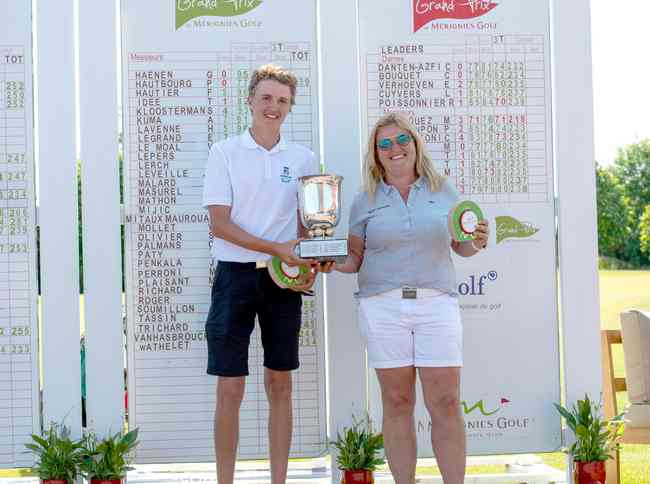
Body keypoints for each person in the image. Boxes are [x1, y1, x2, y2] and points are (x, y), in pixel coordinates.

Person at [327, 113, 489, 484]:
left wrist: (476, 240)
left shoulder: (444, 190)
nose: (394, 149)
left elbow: (462, 247)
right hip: (381, 306)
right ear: (375, 155)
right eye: (384, 144)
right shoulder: (363, 200)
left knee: (445, 402)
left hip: (436, 304)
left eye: (402, 140)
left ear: (415, 144)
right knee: (397, 403)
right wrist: (324, 259)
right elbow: (353, 259)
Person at [201, 64, 320, 484]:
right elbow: (220, 224)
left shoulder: (304, 158)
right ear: (250, 100)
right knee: (230, 389)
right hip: (234, 278)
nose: (274, 107)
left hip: (283, 282)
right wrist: (277, 248)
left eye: (283, 100)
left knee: (280, 385)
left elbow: (310, 225)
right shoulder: (224, 153)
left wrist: (309, 266)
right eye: (267, 98)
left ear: (290, 107)